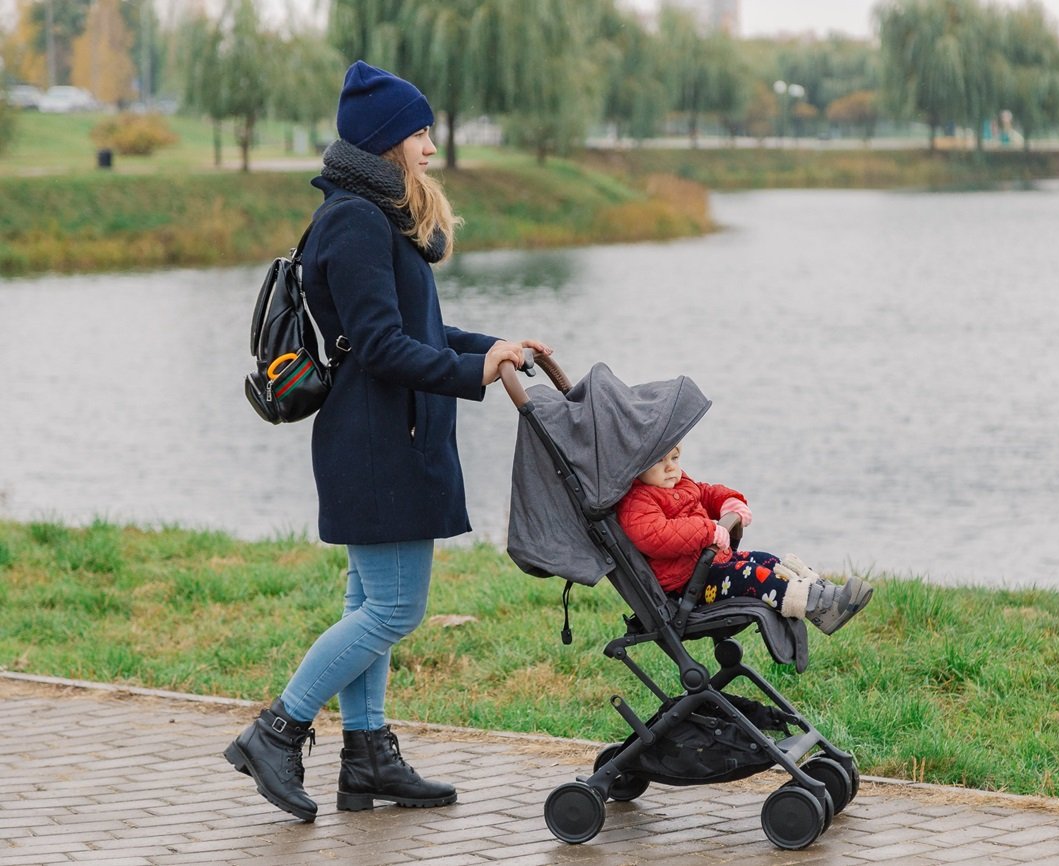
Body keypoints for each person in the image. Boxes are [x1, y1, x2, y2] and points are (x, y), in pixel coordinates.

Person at [224, 60, 551, 824]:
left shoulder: (371, 215)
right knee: (395, 610)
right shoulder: (356, 221)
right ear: (385, 142)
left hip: (383, 436)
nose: (430, 147)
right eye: (418, 133)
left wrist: (492, 346)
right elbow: (378, 347)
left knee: (371, 602)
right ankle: (276, 731)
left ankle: (366, 757)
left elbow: (417, 329)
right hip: (379, 444)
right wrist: (472, 372)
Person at [616, 443, 871, 635]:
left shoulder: (678, 483)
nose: (671, 467)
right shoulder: (637, 502)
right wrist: (707, 530)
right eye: (659, 461)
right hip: (686, 586)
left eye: (674, 458)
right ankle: (815, 604)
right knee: (752, 576)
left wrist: (728, 502)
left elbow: (704, 492)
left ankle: (825, 596)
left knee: (765, 560)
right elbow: (655, 535)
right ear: (637, 466)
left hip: (708, 567)